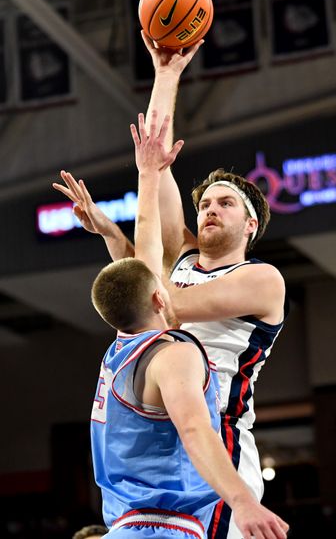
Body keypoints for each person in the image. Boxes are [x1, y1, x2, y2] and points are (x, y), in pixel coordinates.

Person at [53, 36, 288, 539]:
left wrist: (138, 207)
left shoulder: (262, 279)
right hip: (155, 417)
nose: (210, 209)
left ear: (250, 225)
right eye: (205, 203)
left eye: (225, 203)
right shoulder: (179, 260)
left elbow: (164, 304)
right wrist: (166, 75)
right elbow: (157, 159)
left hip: (215, 431)